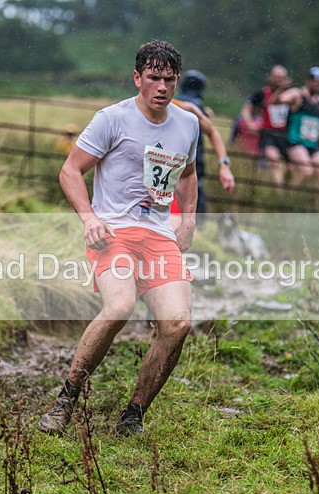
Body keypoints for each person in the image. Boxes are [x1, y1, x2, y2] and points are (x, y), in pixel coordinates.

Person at [38, 40, 199, 437]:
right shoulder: (112, 118)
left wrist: (189, 219)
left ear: (176, 80)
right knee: (120, 306)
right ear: (137, 78)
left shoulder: (187, 124)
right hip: (113, 231)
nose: (161, 87)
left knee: (177, 323)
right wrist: (89, 218)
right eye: (153, 78)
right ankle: (67, 398)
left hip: (159, 236)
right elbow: (70, 171)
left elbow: (189, 173)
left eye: (168, 79)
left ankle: (133, 415)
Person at [173, 69, 235, 217]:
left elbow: (211, 130)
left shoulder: (183, 104)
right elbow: (211, 130)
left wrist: (224, 165)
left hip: (184, 161)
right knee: (195, 192)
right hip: (190, 159)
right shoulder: (194, 105)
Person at [278, 66, 319, 188]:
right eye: (316, 81)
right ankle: (291, 198)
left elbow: (318, 123)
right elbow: (281, 99)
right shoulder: (297, 94)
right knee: (307, 171)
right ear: (308, 81)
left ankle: (313, 202)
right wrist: (285, 89)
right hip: (295, 142)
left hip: (312, 144)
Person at [240, 65, 293, 186]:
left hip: (286, 135)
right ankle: (279, 194)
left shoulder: (290, 95)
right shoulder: (262, 93)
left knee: (291, 167)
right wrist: (250, 124)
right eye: (276, 77)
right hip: (268, 133)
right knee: (274, 162)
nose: (279, 80)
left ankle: (288, 190)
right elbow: (247, 108)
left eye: (281, 77)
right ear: (269, 77)